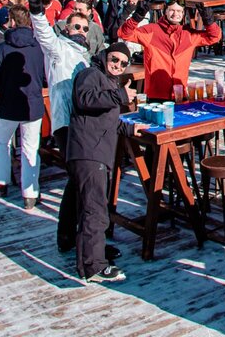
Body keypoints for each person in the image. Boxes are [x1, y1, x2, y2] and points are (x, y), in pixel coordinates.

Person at [25, 0, 96, 255]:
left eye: (84, 28)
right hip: (66, 122)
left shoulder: (85, 56)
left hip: (85, 122)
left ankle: (83, 235)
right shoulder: (58, 49)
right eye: (76, 26)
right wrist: (36, 10)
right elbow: (43, 33)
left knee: (83, 179)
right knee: (78, 177)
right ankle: (68, 235)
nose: (80, 30)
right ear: (67, 28)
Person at [69, 41, 145, 283]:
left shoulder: (108, 81)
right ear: (105, 56)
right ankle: (94, 266)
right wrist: (120, 95)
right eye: (114, 60)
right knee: (95, 210)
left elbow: (108, 119)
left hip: (96, 149)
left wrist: (131, 129)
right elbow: (85, 100)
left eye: (123, 63)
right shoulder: (90, 74)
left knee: (91, 208)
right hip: (89, 151)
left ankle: (92, 255)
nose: (118, 65)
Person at [0, 5, 46, 209]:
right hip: (32, 104)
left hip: (8, 104)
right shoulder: (37, 48)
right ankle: (30, 193)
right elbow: (44, 77)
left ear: (13, 21)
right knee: (30, 148)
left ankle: (1, 181)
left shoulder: (2, 48)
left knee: (1, 142)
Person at [118, 0, 221, 102]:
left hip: (179, 94)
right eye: (172, 10)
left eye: (179, 11)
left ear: (183, 13)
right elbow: (124, 34)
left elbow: (214, 37)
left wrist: (209, 22)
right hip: (156, 95)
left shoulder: (188, 34)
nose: (175, 14)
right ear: (165, 11)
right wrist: (136, 18)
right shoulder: (152, 30)